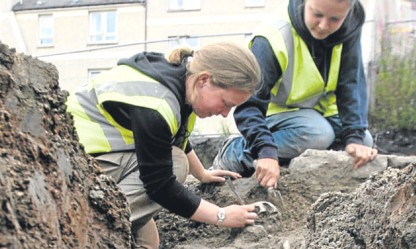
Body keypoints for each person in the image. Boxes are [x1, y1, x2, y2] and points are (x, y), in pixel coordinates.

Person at [66, 41, 260, 249]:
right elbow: (160, 185)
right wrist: (221, 215)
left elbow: (174, 139)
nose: (224, 113)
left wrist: (202, 173)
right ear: (204, 80)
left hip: (103, 157)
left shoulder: (183, 81)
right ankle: (83, 229)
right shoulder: (156, 104)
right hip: (74, 167)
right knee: (176, 164)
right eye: (226, 103)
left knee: (147, 241)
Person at [213, 0, 378, 190]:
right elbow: (248, 105)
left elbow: (351, 83)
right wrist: (265, 151)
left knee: (363, 140)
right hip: (277, 114)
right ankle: (237, 153)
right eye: (317, 14)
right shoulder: (273, 37)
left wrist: (355, 136)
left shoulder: (349, 26)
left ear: (347, 12)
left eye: (334, 19)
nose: (324, 25)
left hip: (319, 112)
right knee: (318, 134)